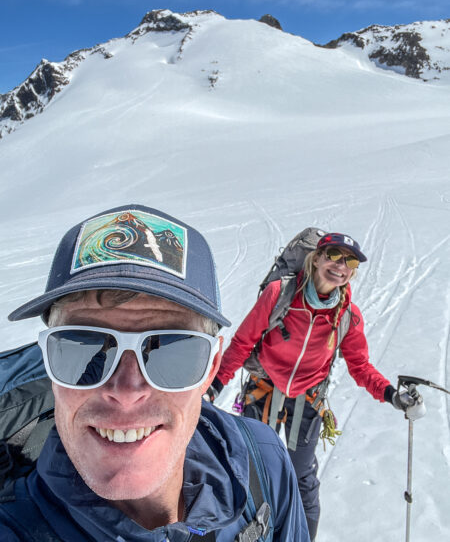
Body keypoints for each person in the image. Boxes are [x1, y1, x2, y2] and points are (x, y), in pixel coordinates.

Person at [0, 204, 310, 541]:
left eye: (173, 350)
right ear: (49, 360)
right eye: (84, 347)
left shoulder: (262, 463)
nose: (127, 391)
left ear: (211, 367)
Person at [210, 232, 426, 542]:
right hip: (263, 392)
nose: (341, 266)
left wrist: (392, 395)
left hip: (307, 402)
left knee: (302, 479)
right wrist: (215, 384)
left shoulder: (347, 317)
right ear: (317, 258)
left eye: (349, 261)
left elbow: (360, 366)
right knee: (252, 470)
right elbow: (243, 342)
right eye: (334, 256)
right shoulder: (279, 294)